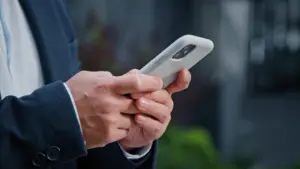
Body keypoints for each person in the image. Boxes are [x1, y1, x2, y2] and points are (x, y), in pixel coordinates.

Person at [0, 0, 191, 169]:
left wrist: (121, 136)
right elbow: (65, 117)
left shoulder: (47, 5)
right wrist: (63, 118)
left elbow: (68, 143)